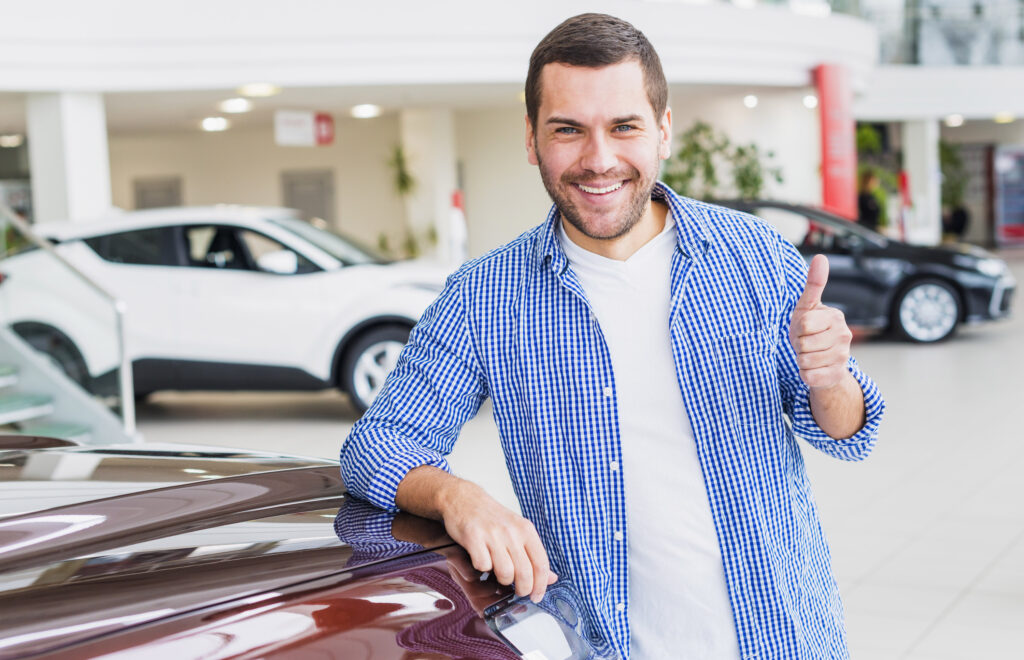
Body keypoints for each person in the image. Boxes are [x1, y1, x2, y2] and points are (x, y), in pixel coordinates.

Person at [340, 13, 884, 659]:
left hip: (784, 636)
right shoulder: (484, 297)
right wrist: (459, 496)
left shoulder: (756, 254)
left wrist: (831, 379)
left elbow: (847, 433)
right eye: (568, 130)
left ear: (663, 130)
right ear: (532, 138)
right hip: (606, 645)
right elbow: (377, 444)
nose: (598, 160)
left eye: (623, 127)